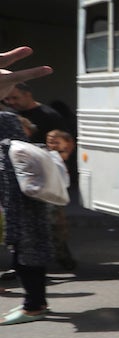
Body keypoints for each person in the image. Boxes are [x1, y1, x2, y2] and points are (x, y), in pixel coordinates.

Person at [1, 111, 53, 324]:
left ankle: (33, 307)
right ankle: (35, 303)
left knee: (25, 261)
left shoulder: (14, 152)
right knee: (27, 260)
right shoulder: (22, 150)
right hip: (28, 214)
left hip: (24, 215)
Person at [45, 130, 77, 271]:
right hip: (50, 199)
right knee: (56, 229)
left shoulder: (61, 158)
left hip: (56, 199)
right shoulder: (50, 158)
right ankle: (63, 259)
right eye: (50, 142)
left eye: (56, 142)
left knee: (58, 230)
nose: (52, 145)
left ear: (69, 143)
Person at [2, 81, 71, 142]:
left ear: (28, 94)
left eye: (15, 98)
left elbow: (65, 141)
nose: (11, 102)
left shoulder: (49, 115)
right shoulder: (8, 114)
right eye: (7, 99)